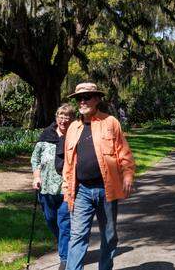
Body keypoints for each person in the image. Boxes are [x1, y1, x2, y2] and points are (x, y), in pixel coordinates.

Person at [62, 82, 136, 270]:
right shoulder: (72, 128)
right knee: (77, 236)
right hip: (81, 191)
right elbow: (68, 165)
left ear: (96, 99)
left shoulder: (110, 122)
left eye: (87, 97)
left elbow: (124, 153)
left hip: (106, 189)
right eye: (79, 98)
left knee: (109, 235)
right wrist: (66, 189)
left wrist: (128, 176)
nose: (82, 101)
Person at [31, 104, 75, 270]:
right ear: (56, 118)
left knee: (64, 222)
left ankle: (65, 259)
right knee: (51, 221)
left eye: (67, 117)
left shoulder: (73, 136)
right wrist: (36, 177)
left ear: (71, 120)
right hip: (46, 188)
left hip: (66, 189)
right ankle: (65, 243)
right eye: (61, 117)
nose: (64, 120)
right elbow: (35, 159)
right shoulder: (46, 136)